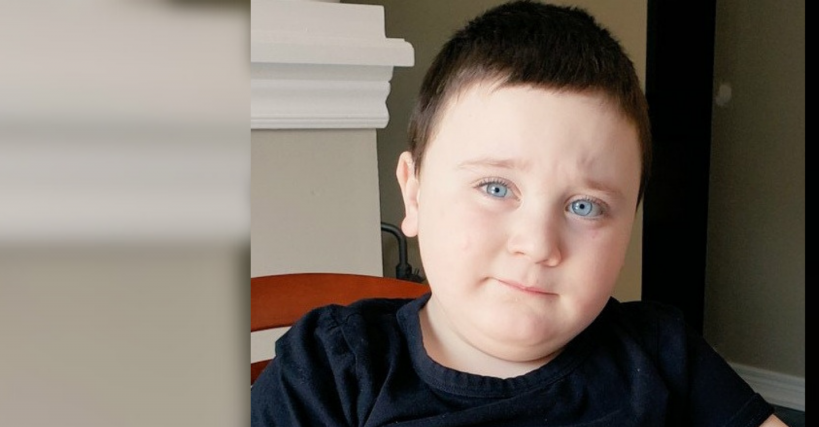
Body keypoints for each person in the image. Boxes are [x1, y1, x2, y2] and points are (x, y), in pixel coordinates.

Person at [251, 1, 787, 426]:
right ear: (413, 195)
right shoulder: (331, 368)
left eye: (585, 206)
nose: (537, 244)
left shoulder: (663, 356)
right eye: (495, 187)